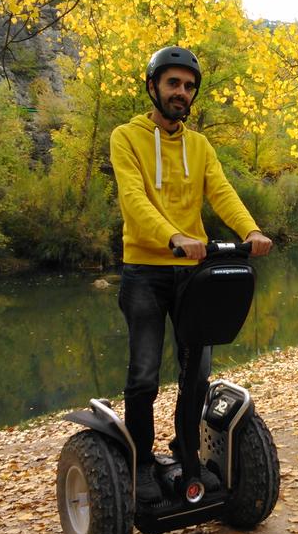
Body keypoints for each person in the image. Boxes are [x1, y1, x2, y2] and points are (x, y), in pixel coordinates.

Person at [109, 45, 272, 502]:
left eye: (188, 86)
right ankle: (140, 462)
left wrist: (251, 229)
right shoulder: (126, 137)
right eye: (173, 83)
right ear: (153, 86)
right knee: (143, 374)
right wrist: (173, 236)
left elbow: (221, 192)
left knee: (196, 373)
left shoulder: (199, 145)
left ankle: (185, 451)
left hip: (193, 274)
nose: (181, 92)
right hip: (144, 269)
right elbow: (133, 200)